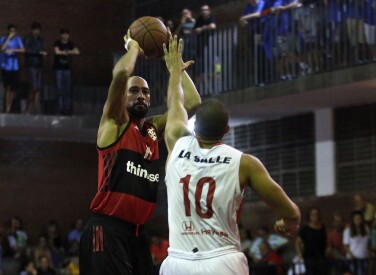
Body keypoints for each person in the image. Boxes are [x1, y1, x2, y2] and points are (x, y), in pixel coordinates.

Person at [159, 35, 300, 275]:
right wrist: (289, 222)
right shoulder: (244, 163)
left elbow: (176, 102)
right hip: (222, 261)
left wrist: (175, 70)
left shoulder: (177, 143)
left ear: (195, 127)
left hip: (178, 263)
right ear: (226, 130)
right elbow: (291, 211)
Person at [78, 29, 200, 275]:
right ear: (121, 97)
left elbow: (192, 104)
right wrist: (134, 47)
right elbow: (122, 73)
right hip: (106, 229)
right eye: (133, 91)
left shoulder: (153, 128)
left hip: (137, 233)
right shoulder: (113, 124)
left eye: (145, 92)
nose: (141, 95)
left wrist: (177, 70)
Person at [53, 28, 80, 115]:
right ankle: (60, 109)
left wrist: (66, 52)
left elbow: (77, 52)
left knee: (67, 90)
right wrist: (65, 52)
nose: (65, 36)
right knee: (60, 89)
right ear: (61, 35)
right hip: (59, 69)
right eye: (63, 34)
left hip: (67, 69)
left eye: (67, 34)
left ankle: (67, 110)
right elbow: (57, 52)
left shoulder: (71, 44)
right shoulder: (57, 43)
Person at [0, 24, 25, 113]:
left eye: (13, 31)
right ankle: (7, 107)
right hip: (5, 66)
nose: (12, 33)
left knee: (13, 88)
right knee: (7, 87)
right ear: (8, 31)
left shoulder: (18, 39)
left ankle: (11, 105)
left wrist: (13, 50)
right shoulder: (3, 39)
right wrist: (8, 38)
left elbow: (22, 49)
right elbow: (2, 48)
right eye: (10, 31)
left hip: (14, 67)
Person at [24, 22, 47, 114]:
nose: (36, 32)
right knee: (33, 86)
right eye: (35, 30)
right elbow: (27, 50)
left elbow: (43, 49)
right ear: (32, 30)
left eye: (38, 30)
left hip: (39, 65)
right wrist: (38, 52)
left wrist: (43, 53)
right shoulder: (28, 38)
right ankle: (29, 106)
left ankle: (36, 107)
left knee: (38, 87)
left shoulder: (41, 40)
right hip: (31, 65)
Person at [295, 207, 327, 275]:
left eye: (317, 214)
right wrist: (300, 255)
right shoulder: (305, 229)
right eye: (313, 215)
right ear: (309, 216)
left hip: (321, 257)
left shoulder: (322, 228)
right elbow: (298, 242)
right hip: (309, 258)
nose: (315, 217)